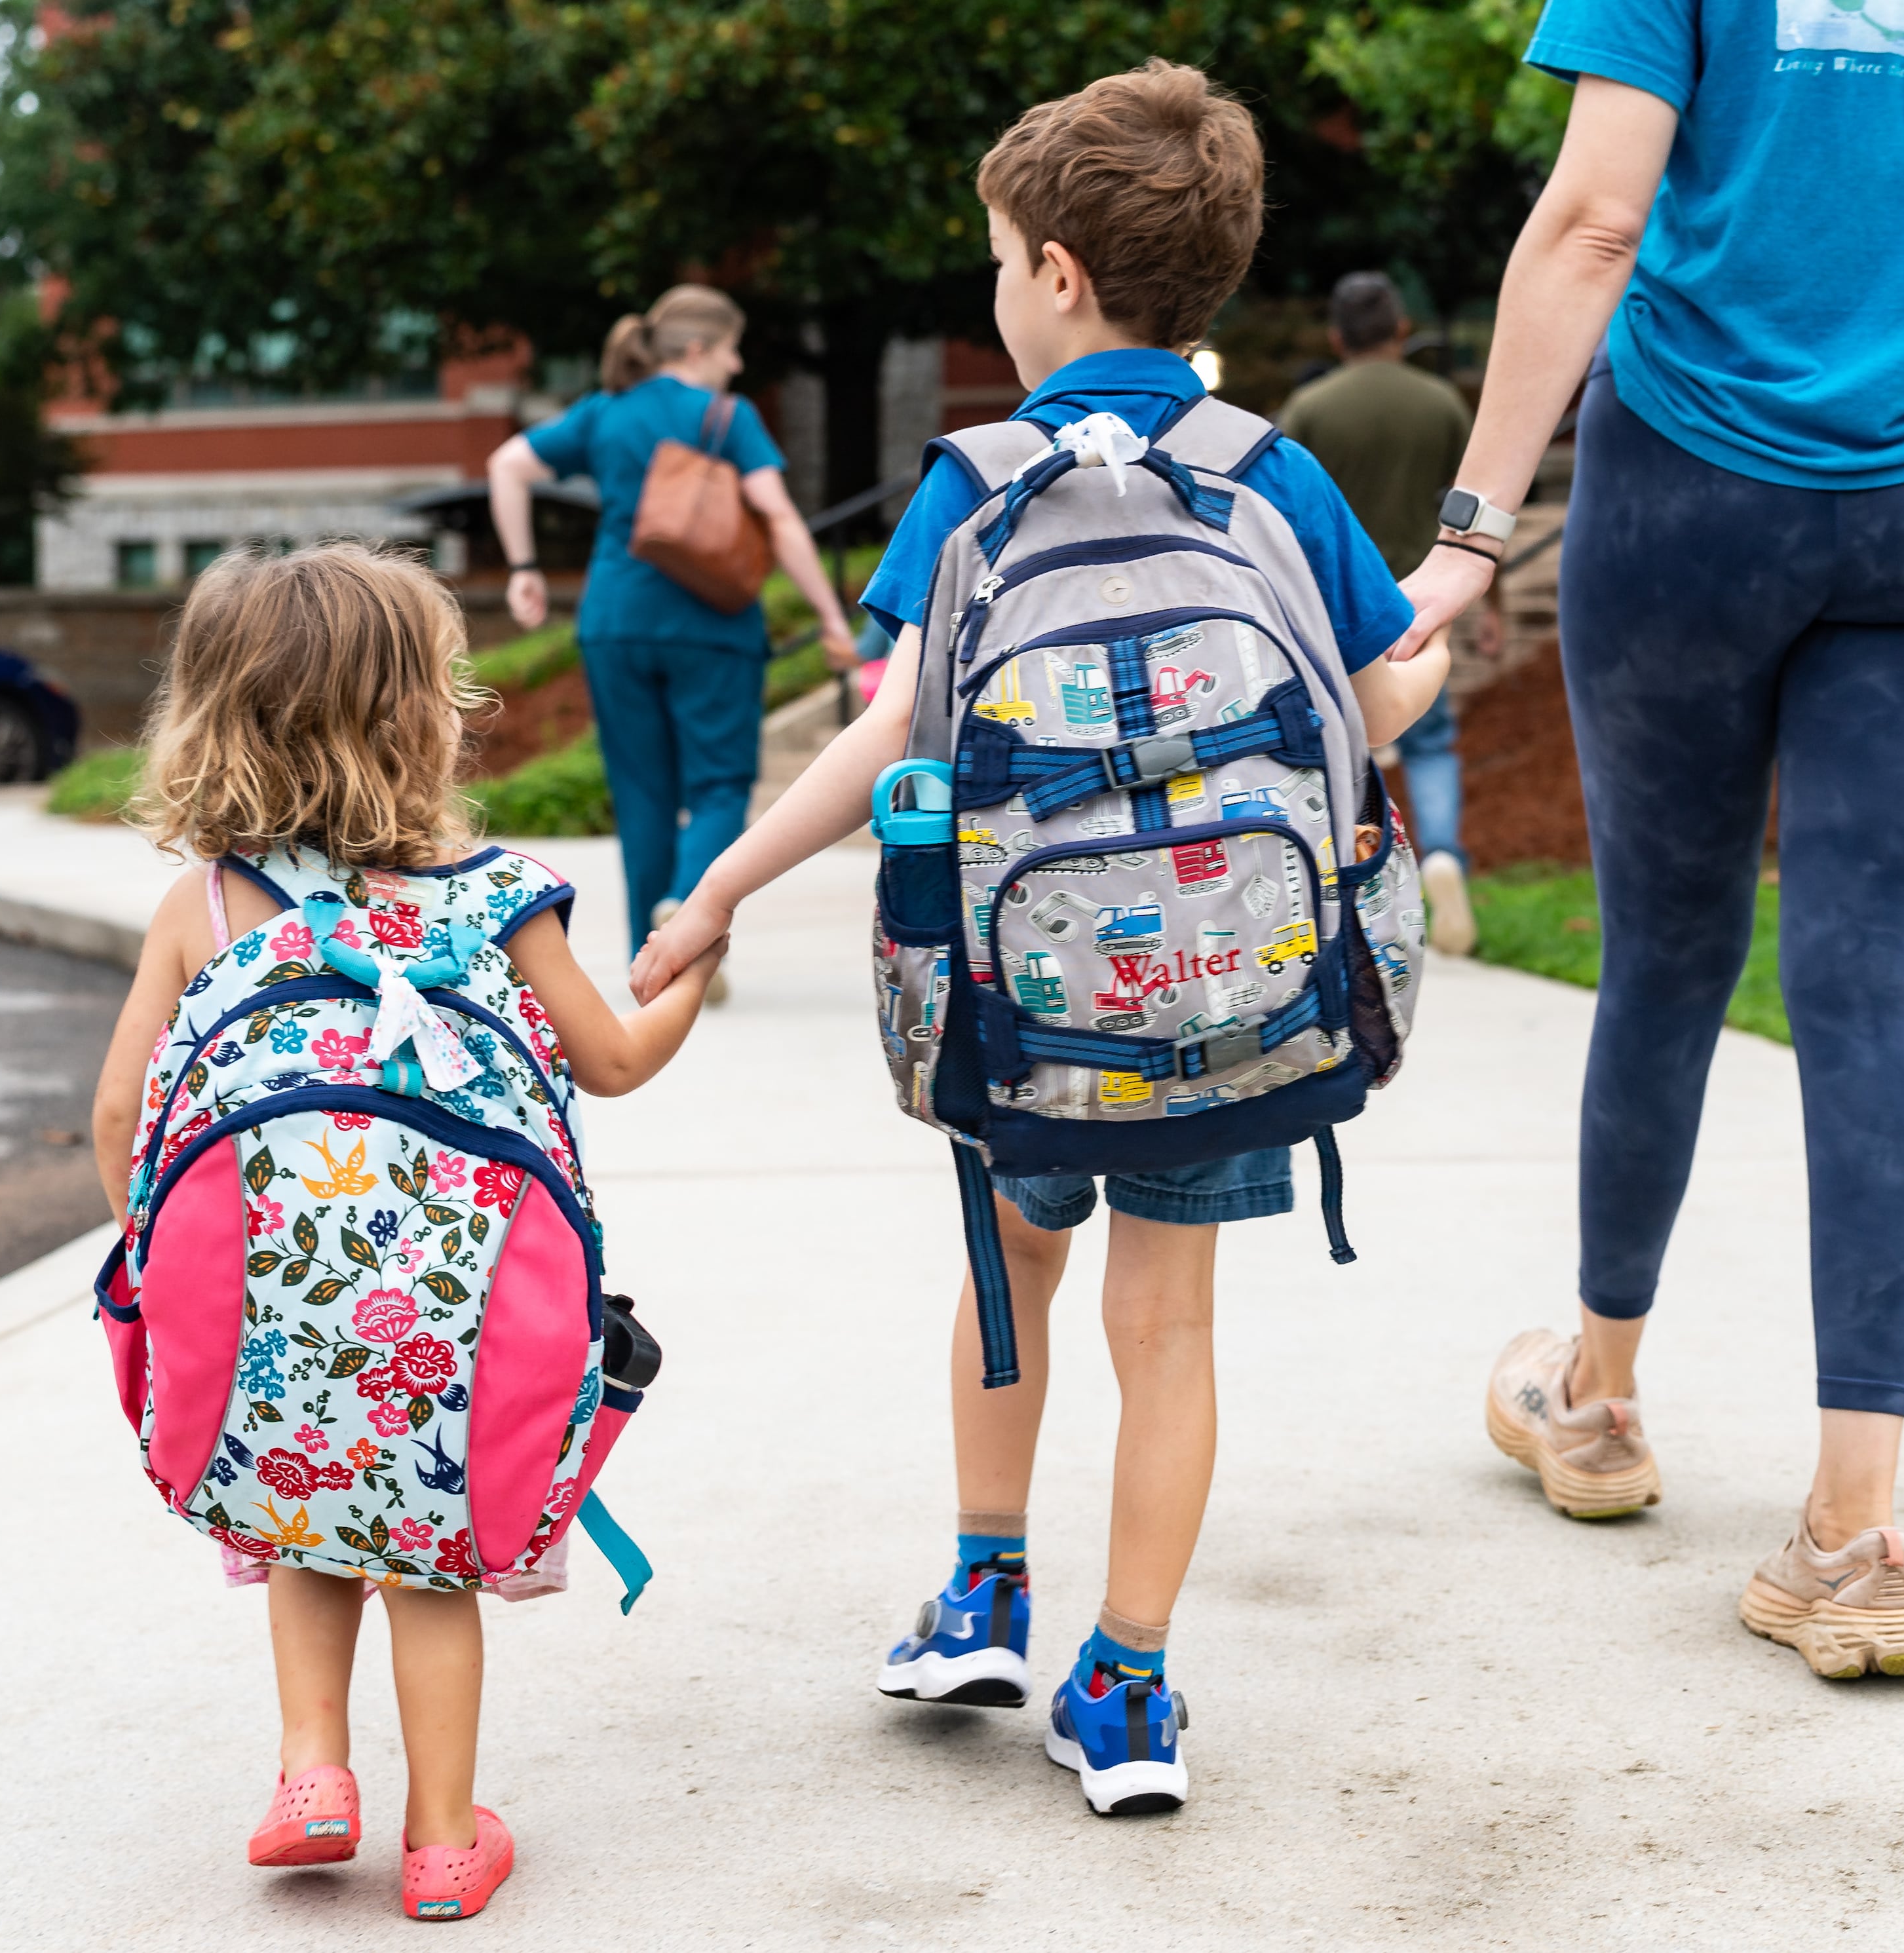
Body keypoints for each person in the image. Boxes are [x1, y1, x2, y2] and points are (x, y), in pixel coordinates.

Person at [629, 62, 1445, 1810]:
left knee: (1012, 1271)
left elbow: (892, 729)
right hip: (1237, 999)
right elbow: (1386, 694)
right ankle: (1131, 1683)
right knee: (1175, 1332)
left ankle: (982, 1586)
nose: (997, 287)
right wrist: (1435, 626)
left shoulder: (975, 482)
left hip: (1027, 1007)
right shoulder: (1267, 469)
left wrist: (718, 889)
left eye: (1001, 257)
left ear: (1060, 275)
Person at [1388, 0, 1904, 1674]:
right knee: (1867, 984)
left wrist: (1467, 533)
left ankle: (1591, 1405)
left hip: (1689, 499)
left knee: (1664, 950)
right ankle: (1850, 1536)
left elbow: (1592, 219)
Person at [90, 543, 722, 1920]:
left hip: (270, 1307)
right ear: (418, 714)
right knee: (429, 1565)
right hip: (455, 1313)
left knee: (304, 1526)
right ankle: (443, 1841)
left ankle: (314, 1773)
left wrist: (156, 1257)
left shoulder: (204, 907)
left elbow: (123, 1113)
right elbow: (611, 1060)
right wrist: (694, 961)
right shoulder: (501, 895)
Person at [486, 285, 858, 972]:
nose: (738, 364)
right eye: (730, 348)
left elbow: (506, 464)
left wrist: (525, 567)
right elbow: (777, 517)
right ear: (696, 349)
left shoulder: (605, 411)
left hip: (615, 622)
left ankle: (645, 956)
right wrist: (832, 616)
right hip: (712, 625)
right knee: (719, 785)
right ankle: (687, 908)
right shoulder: (727, 415)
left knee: (641, 793)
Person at [1279, 271, 1479, 955]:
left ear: (1337, 337)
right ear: (1400, 329)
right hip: (1420, 599)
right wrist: (1493, 600)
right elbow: (1471, 512)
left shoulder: (1309, 409)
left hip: (1327, 607)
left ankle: (1347, 893)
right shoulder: (1441, 401)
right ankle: (1443, 853)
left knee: (1337, 748)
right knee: (1429, 739)